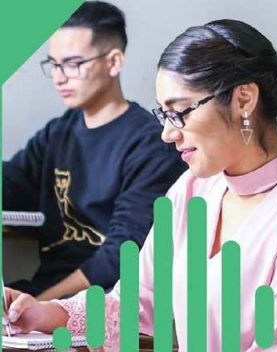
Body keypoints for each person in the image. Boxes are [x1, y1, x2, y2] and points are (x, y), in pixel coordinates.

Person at [3, 19, 277, 352]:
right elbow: (136, 300)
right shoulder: (190, 191)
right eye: (164, 115)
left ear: (244, 98)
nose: (167, 133)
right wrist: (43, 313)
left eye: (180, 112)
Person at [2, 1, 186, 300]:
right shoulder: (58, 132)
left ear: (113, 62)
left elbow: (121, 259)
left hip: (108, 307)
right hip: (45, 297)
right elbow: (13, 182)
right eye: (54, 64)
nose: (60, 77)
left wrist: (41, 305)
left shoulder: (152, 145)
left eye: (73, 64)